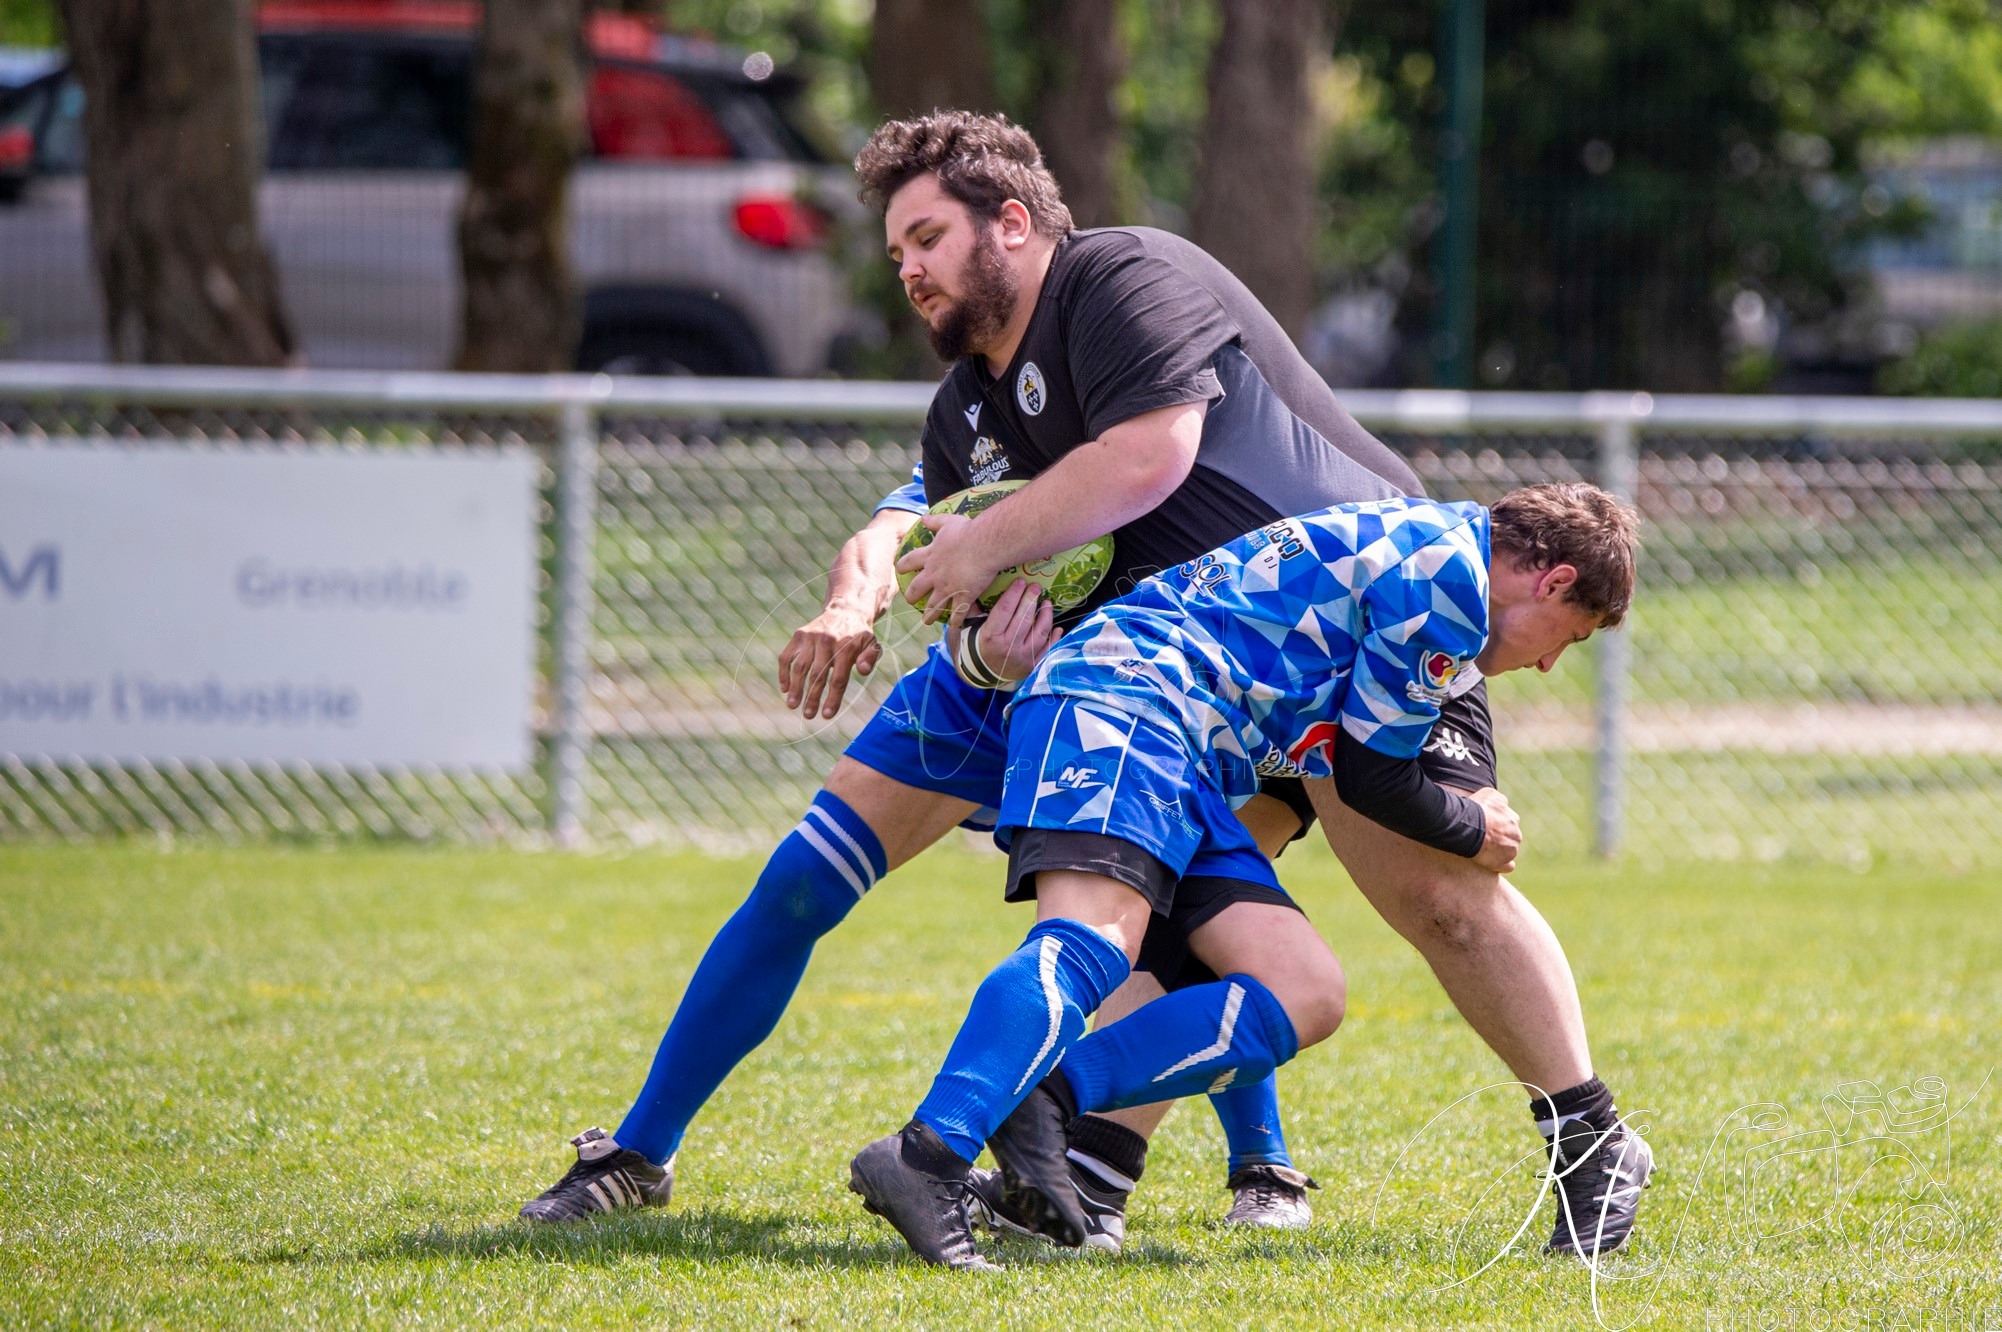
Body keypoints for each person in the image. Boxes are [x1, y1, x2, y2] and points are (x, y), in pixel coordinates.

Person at [519, 110, 1640, 1257]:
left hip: (1340, 648)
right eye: (894, 247)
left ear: (1012, 224)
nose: (903, 268)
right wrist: (877, 610)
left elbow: (1146, 455)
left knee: (1429, 894)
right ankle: (664, 1152)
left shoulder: (1121, 277)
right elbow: (915, 536)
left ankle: (1572, 1137)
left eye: (924, 238)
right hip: (1125, 681)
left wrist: (977, 553)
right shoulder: (967, 404)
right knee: (823, 888)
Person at [849, 483, 1650, 1269]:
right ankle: (928, 1157)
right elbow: (1373, 777)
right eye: (1567, 637)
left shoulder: (1429, 540)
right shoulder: (1450, 580)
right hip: (1124, 702)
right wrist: (1474, 826)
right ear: (1554, 582)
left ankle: (1047, 1103)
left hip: (1177, 742)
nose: (1547, 663)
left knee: (1304, 990)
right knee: (1092, 943)